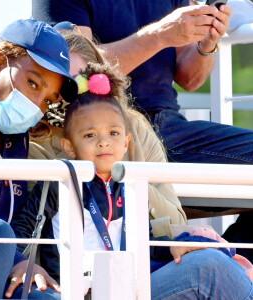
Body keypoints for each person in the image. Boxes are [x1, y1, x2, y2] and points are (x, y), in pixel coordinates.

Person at [32, 0, 253, 262]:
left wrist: (206, 43)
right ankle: (213, 263)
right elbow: (79, 68)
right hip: (105, 128)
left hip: (168, 125)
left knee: (214, 264)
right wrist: (158, 35)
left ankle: (225, 259)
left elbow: (190, 79)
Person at [12, 64, 253, 299]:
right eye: (90, 135)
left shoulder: (131, 185)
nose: (103, 142)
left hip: (132, 289)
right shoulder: (58, 183)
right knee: (209, 267)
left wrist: (173, 246)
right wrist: (23, 262)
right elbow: (23, 229)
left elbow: (144, 242)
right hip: (75, 292)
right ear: (69, 147)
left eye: (113, 133)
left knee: (211, 260)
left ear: (126, 141)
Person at [0, 18, 77, 299]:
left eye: (48, 100)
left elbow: (15, 220)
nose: (36, 105)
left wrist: (23, 261)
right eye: (33, 83)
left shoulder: (16, 138)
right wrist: (3, 249)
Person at [28, 30, 186, 240]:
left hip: (147, 265)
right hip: (70, 270)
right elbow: (36, 237)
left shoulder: (135, 129)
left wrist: (129, 182)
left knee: (213, 261)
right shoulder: (35, 145)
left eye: (78, 83)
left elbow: (176, 224)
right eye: (62, 85)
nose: (71, 96)